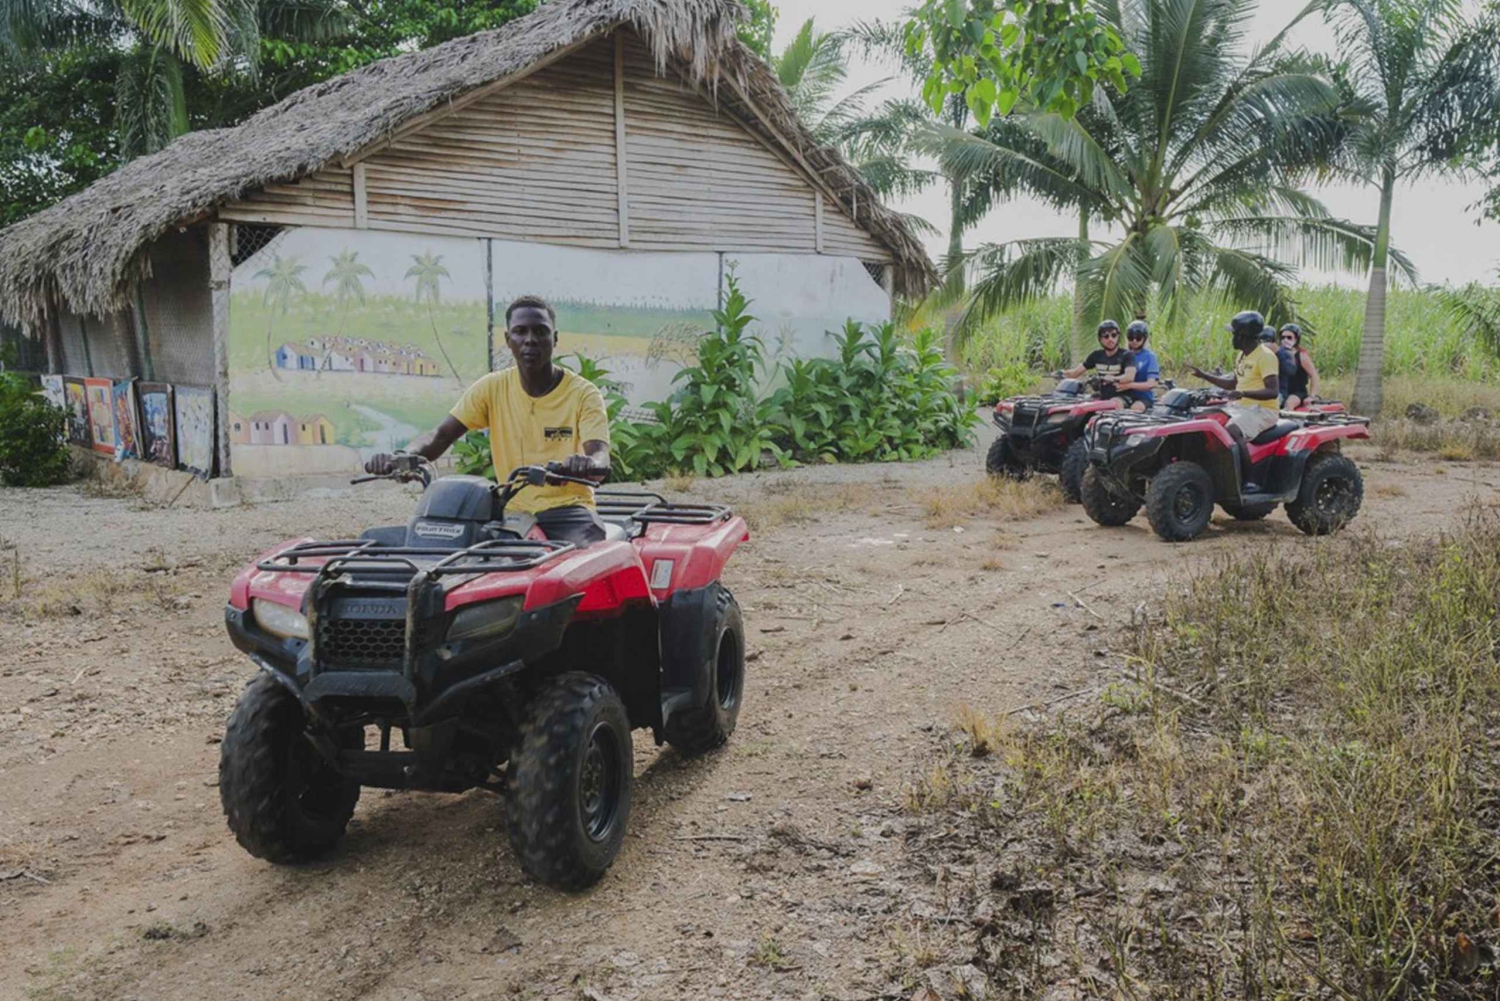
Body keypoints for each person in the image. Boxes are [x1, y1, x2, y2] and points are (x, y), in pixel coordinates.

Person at [364, 294, 612, 545]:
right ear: (508, 339)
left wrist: (585, 463)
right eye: (520, 332)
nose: (530, 340)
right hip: (509, 512)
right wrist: (403, 457)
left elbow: (600, 454)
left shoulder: (583, 394)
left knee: (581, 562)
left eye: (540, 331)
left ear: (554, 339)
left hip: (567, 511)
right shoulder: (492, 387)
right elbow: (439, 436)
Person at [1186, 311, 1281, 442]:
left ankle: (1243, 463)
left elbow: (1273, 392)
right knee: (1206, 420)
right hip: (1241, 407)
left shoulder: (1266, 356)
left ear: (1242, 336)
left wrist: (1243, 393)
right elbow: (1233, 384)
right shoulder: (1242, 355)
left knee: (1232, 430)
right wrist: (1204, 376)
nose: (1232, 338)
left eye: (1233, 334)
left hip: (1263, 411)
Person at [1062, 319, 1136, 406]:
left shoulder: (1127, 355)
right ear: (1100, 339)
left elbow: (1130, 376)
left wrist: (1113, 378)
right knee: (1080, 406)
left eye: (1114, 335)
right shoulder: (1096, 355)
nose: (1110, 339)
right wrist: (1061, 374)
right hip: (1102, 396)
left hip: (1122, 397)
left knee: (1113, 404)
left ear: (1118, 336)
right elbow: (1075, 373)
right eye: (1106, 336)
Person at [1116, 320, 1160, 411]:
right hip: (1124, 395)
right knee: (1113, 404)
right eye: (1131, 337)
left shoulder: (1150, 357)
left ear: (1144, 338)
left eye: (1138, 338)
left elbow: (1151, 384)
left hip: (1143, 398)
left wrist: (1129, 385)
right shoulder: (1122, 355)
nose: (1134, 341)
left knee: (1135, 408)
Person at [1278, 324, 1320, 409]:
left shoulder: (1301, 355)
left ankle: (1291, 422)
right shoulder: (1279, 354)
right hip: (1281, 391)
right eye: (1283, 337)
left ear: (1296, 339)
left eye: (1289, 337)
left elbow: (1314, 375)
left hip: (1297, 392)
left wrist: (1312, 396)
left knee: (1289, 403)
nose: (1285, 340)